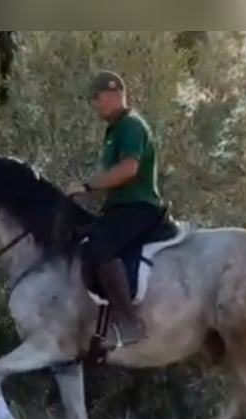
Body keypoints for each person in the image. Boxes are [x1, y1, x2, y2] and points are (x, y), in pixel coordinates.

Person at [66, 70, 165, 347]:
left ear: (114, 94)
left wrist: (87, 185)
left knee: (100, 246)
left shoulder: (132, 126)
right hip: (119, 207)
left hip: (140, 206)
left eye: (96, 98)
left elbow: (128, 170)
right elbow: (110, 177)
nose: (94, 104)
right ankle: (100, 326)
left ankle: (130, 323)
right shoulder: (113, 130)